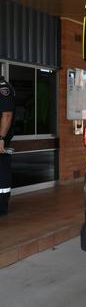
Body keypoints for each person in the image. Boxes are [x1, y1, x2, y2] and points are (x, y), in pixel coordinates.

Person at [0, 74, 16, 216]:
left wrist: (1, 138)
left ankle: (1, 206)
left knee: (2, 172)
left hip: (0, 140)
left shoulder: (3, 88)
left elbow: (7, 115)